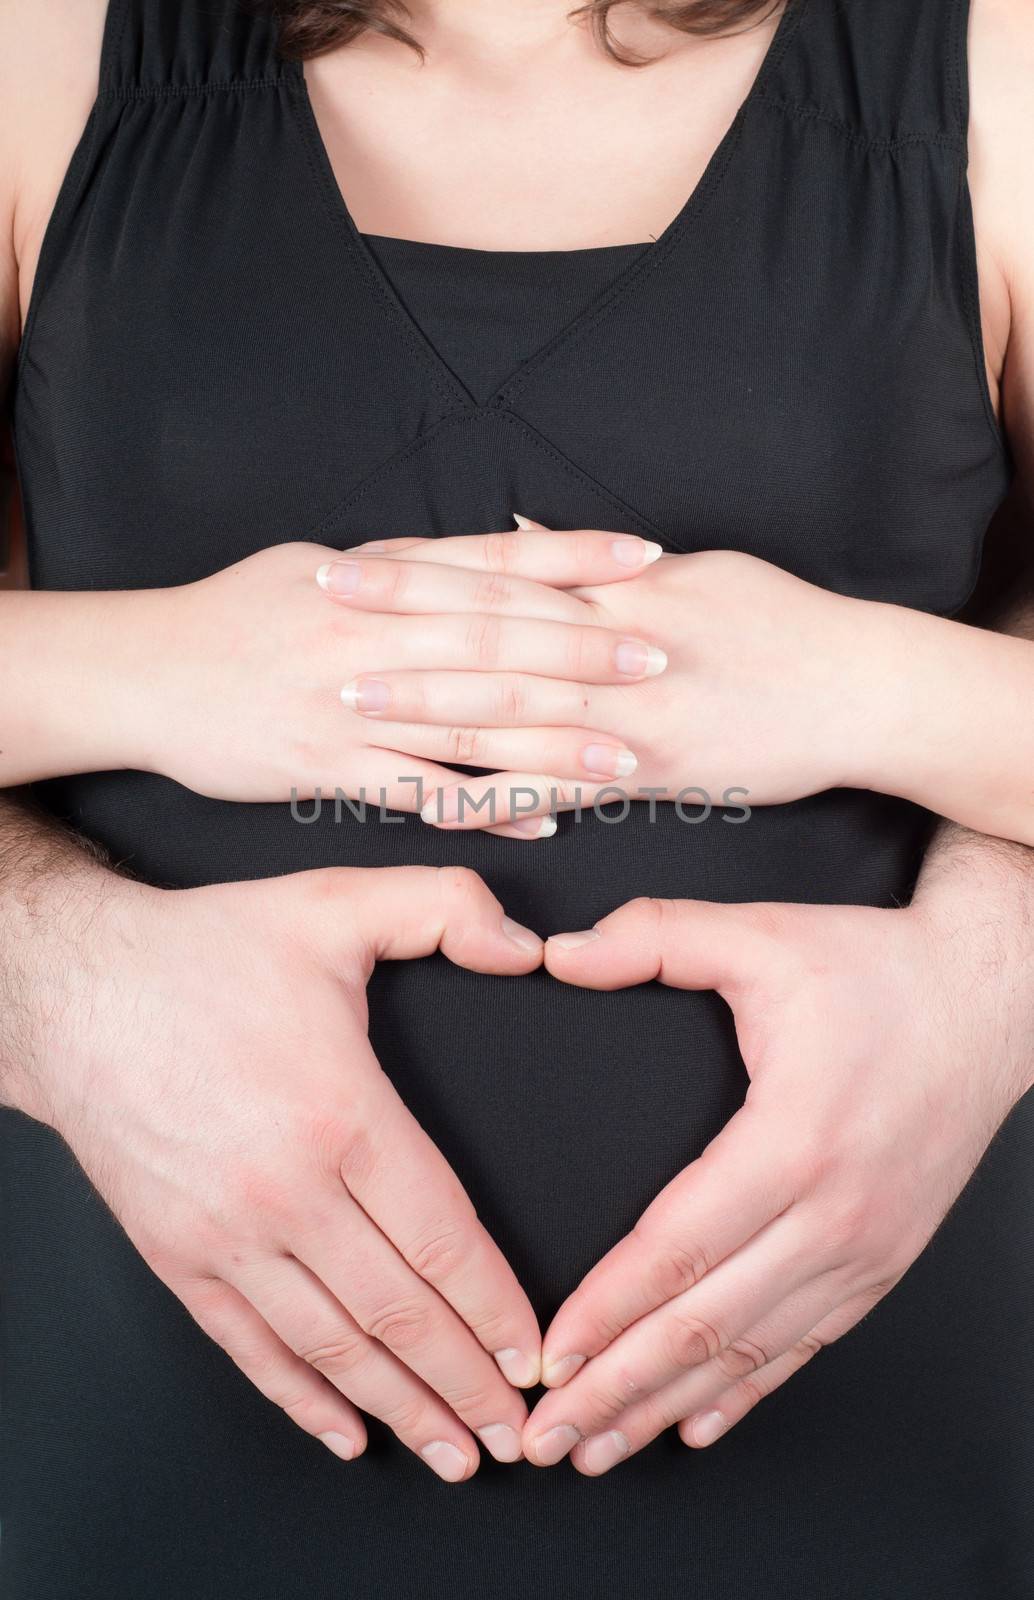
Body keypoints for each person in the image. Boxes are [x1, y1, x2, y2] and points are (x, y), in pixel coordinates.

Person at [1, 0, 1032, 1595]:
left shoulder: (1000, 70)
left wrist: (885, 722)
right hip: (122, 1476)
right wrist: (71, 928)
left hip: (897, 1468)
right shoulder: (36, 60)